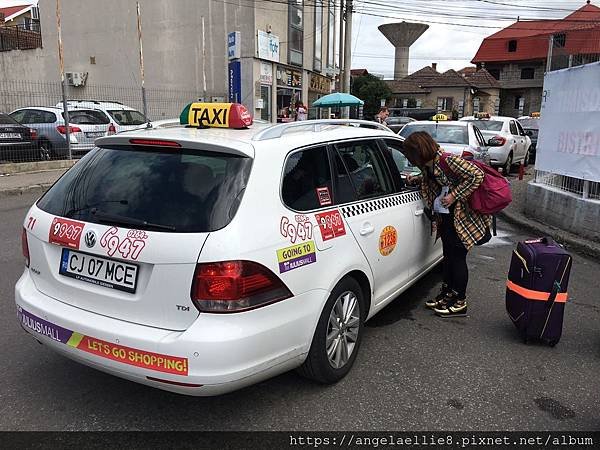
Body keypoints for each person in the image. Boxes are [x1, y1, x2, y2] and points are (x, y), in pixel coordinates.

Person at [404, 131, 491, 317]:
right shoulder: (429, 165)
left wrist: (454, 195)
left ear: (419, 151)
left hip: (462, 217)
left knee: (458, 257)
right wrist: (418, 179)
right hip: (446, 217)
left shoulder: (447, 159)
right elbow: (439, 179)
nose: (409, 159)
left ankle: (460, 301)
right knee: (449, 256)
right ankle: (447, 294)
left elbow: (477, 175)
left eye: (410, 154)